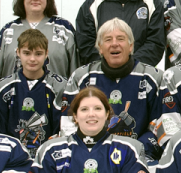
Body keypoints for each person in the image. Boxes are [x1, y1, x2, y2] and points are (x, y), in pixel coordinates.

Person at [65, 18, 168, 159]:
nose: (114, 44)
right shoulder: (81, 77)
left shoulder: (153, 78)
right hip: (89, 155)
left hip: (139, 157)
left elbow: (160, 124)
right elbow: (69, 122)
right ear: (100, 47)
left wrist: (135, 152)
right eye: (108, 39)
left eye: (120, 38)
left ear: (131, 45)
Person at [0, 28, 69, 157]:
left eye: (38, 54)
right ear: (18, 53)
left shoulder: (61, 86)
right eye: (26, 53)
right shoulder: (2, 87)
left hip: (49, 158)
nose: (32, 59)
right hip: (11, 159)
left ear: (46, 54)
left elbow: (63, 130)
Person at [0, 0, 78, 81]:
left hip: (56, 95)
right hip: (14, 95)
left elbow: (76, 71)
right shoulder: (8, 30)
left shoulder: (65, 29)